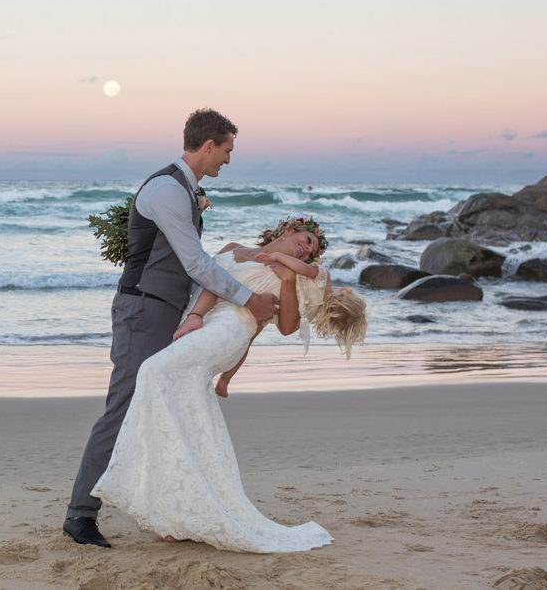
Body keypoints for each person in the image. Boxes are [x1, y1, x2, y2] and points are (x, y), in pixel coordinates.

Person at [63, 108, 279, 548]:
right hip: (143, 312)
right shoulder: (165, 188)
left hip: (168, 313)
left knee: (169, 406)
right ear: (207, 146)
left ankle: (170, 510)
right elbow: (196, 262)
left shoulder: (185, 190)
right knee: (123, 406)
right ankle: (80, 515)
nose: (228, 160)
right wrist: (248, 298)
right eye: (226, 150)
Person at [91, 218, 367, 553]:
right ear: (288, 230)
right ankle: (178, 513)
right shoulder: (233, 249)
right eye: (307, 239)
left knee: (153, 372)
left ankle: (151, 493)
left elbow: (285, 326)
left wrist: (289, 276)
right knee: (187, 405)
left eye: (313, 249)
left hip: (230, 328)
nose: (309, 249)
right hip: (198, 320)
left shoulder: (294, 275)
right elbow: (207, 280)